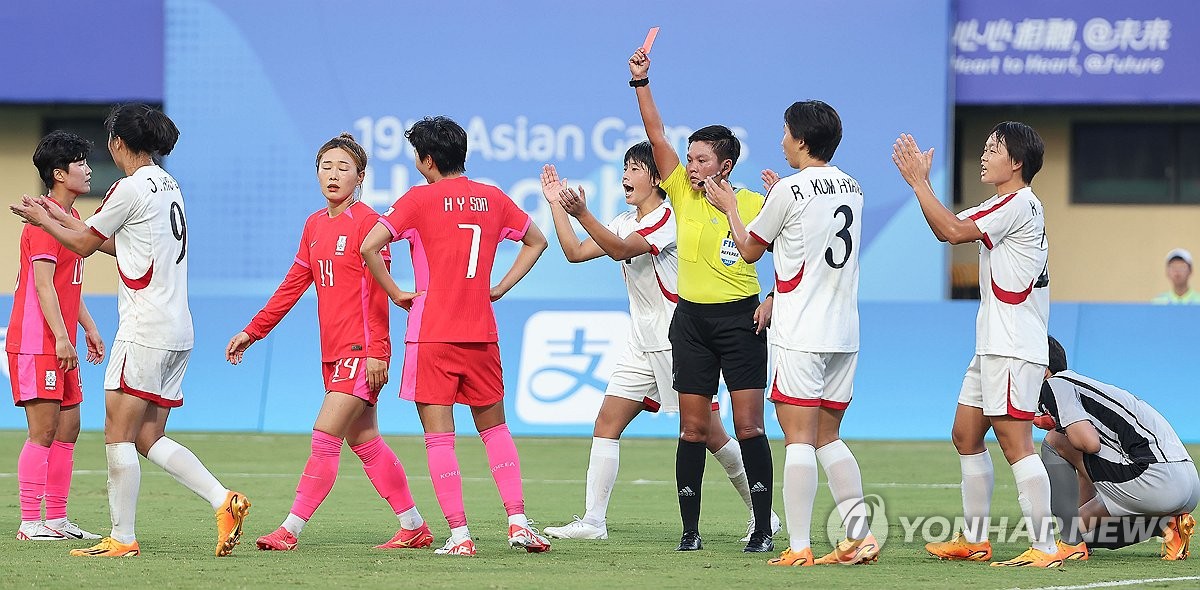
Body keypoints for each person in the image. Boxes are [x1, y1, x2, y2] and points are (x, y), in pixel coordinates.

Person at [10, 104, 251, 558]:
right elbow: (115, 244)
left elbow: (86, 243)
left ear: (118, 143)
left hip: (143, 329)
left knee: (117, 435)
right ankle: (224, 501)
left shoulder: (128, 187)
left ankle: (121, 537)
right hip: (179, 328)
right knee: (147, 438)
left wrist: (45, 219)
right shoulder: (169, 184)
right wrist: (56, 219)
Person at [537, 143, 767, 541]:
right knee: (606, 424)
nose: (626, 175)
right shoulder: (624, 219)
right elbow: (574, 252)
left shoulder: (667, 219)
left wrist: (583, 213)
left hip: (675, 340)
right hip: (640, 341)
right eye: (624, 167)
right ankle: (594, 521)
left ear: (657, 178)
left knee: (710, 434)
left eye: (635, 168)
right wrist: (558, 205)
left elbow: (620, 250)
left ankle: (763, 514)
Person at [225, 133, 432, 552]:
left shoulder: (370, 224)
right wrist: (254, 330)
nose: (333, 175)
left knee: (324, 436)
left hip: (361, 351)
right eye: (326, 167)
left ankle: (289, 529)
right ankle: (414, 526)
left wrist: (378, 351)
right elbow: (293, 284)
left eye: (343, 168)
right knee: (366, 442)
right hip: (332, 351)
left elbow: (378, 293)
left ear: (360, 176)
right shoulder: (314, 224)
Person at [359, 116, 550, 557]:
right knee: (495, 430)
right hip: (480, 331)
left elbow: (369, 246)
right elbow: (536, 241)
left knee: (439, 438)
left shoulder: (418, 200)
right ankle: (518, 522)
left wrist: (396, 293)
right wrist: (499, 287)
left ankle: (460, 535)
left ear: (428, 160)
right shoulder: (493, 198)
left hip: (432, 334)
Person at [711, 101, 878, 566]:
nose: (781, 139)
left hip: (801, 328)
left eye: (785, 132)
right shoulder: (853, 186)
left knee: (799, 437)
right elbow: (811, 234)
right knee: (829, 435)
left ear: (801, 139)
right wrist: (780, 201)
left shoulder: (790, 189)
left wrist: (730, 207)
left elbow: (747, 249)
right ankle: (860, 536)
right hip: (844, 330)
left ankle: (799, 545)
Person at [628, 47, 778, 554]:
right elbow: (655, 134)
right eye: (688, 158)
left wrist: (775, 296)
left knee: (748, 425)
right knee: (692, 429)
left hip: (741, 325)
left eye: (701, 159)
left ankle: (761, 527)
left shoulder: (756, 203)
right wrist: (641, 82)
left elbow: (790, 254)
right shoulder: (682, 194)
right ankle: (689, 532)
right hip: (690, 323)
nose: (690, 165)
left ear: (726, 164)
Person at [893, 123, 1062, 567]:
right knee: (966, 435)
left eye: (993, 149)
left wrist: (919, 182)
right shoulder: (1007, 203)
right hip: (992, 343)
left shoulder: (1017, 202)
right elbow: (946, 228)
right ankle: (976, 539)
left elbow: (951, 231)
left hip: (1011, 344)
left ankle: (1046, 546)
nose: (984, 155)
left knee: (1015, 443)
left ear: (1017, 163)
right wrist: (922, 187)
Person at [8, 131, 104, 542]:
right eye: (80, 162)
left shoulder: (71, 220)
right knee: (43, 432)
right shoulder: (42, 221)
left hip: (60, 338)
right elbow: (44, 286)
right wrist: (62, 339)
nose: (87, 168)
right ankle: (30, 523)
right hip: (37, 341)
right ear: (59, 173)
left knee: (69, 430)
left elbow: (69, 286)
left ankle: (58, 519)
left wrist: (89, 327)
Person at [1037, 336, 1198, 561]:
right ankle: (1168, 525)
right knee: (1084, 532)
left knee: (1054, 441)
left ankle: (1069, 542)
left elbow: (1088, 444)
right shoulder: (1082, 387)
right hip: (1187, 483)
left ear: (1043, 369)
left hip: (1154, 478)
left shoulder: (1054, 384)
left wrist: (1058, 426)